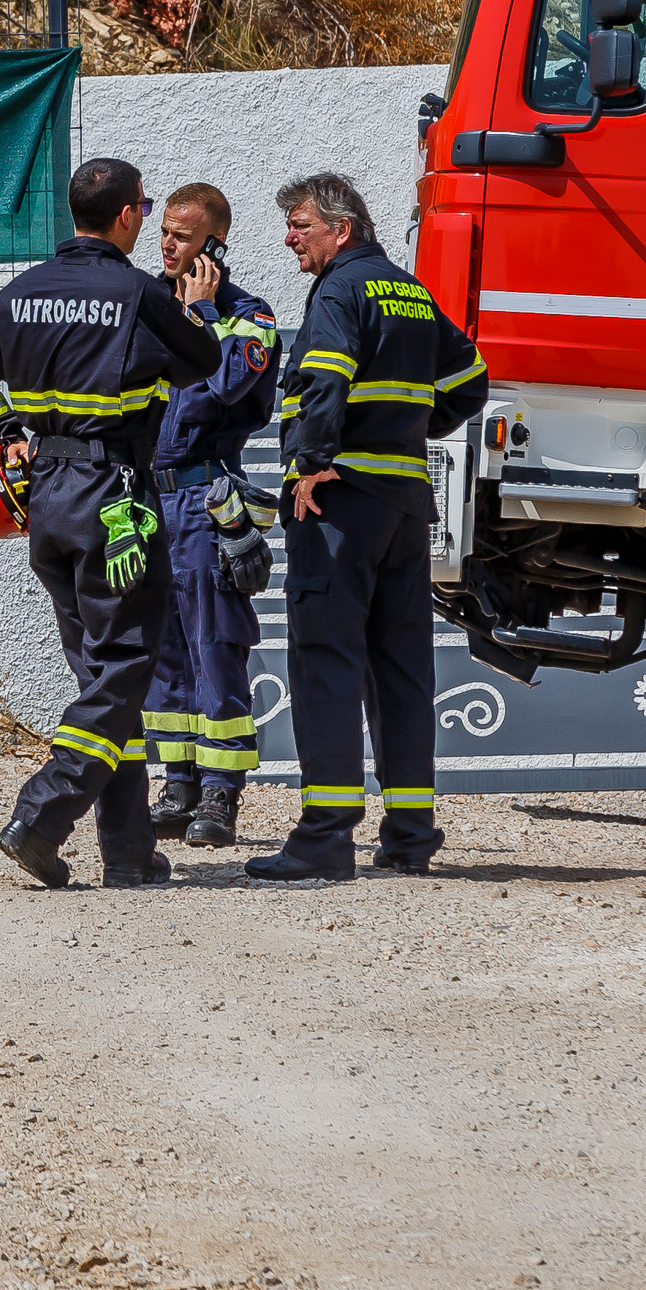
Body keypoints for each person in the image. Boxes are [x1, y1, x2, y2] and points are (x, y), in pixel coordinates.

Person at [0, 157, 222, 889]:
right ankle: (42, 812)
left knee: (104, 678)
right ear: (129, 214)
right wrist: (193, 307)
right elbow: (203, 361)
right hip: (117, 497)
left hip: (49, 500)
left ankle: (128, 851)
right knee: (125, 666)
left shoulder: (25, 290)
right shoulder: (136, 292)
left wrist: (1, 432)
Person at [251, 171, 489, 886]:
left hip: (342, 504)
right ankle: (410, 833)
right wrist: (410, 429)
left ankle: (325, 836)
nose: (290, 237)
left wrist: (310, 462)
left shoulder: (338, 290)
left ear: (340, 228)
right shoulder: (410, 290)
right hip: (404, 505)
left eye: (299, 224)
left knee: (326, 663)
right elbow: (471, 377)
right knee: (403, 669)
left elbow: (323, 378)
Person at [145, 182, 283, 851]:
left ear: (214, 246)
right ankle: (177, 783)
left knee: (213, 648)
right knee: (163, 650)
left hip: (204, 499)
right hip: (146, 500)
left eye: (181, 235)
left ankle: (222, 794)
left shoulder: (247, 316)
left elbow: (229, 384)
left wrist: (199, 318)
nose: (167, 245)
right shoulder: (143, 305)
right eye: (164, 232)